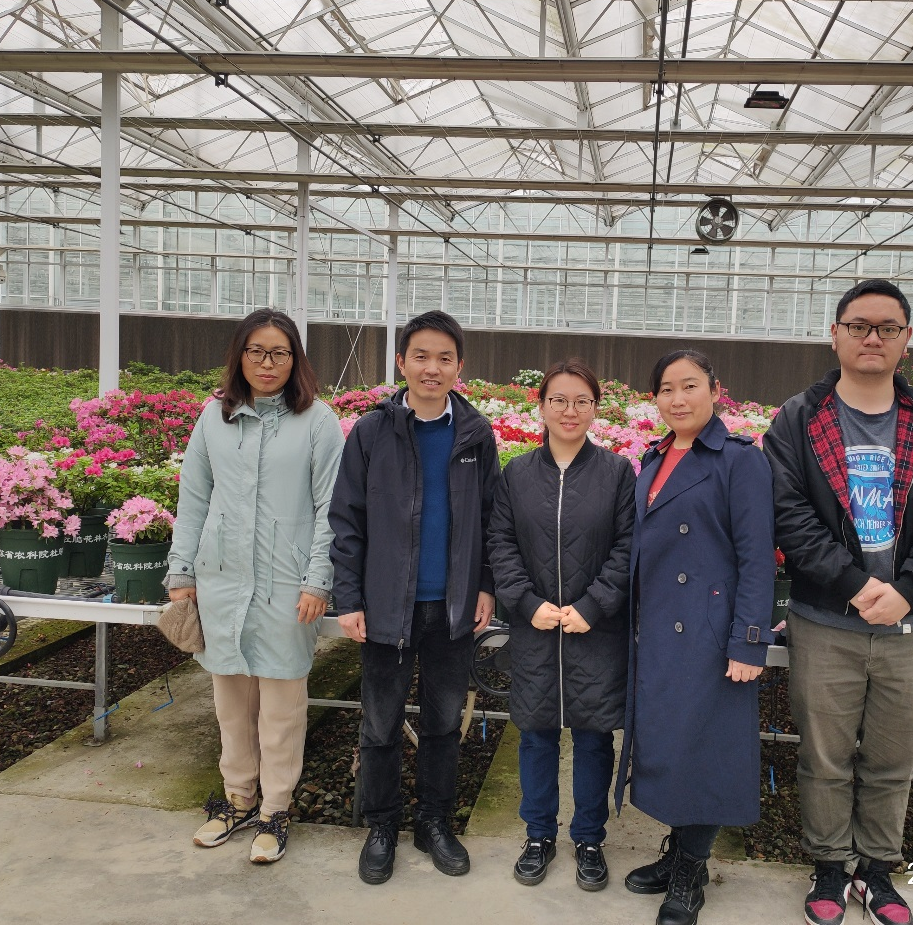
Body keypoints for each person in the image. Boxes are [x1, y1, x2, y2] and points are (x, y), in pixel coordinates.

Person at [763, 279, 913, 925]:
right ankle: (830, 865)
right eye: (859, 326)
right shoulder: (799, 419)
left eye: (888, 328)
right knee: (824, 755)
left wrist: (908, 591)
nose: (872, 338)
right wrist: (854, 586)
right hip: (825, 620)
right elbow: (788, 513)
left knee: (892, 756)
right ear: (835, 335)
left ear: (907, 339)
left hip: (910, 627)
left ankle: (877, 871)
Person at [167, 307, 345, 864]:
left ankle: (275, 809)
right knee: (230, 702)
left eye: (280, 353)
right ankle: (237, 799)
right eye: (257, 352)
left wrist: (318, 579)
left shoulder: (318, 421)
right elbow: (194, 498)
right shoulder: (213, 417)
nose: (268, 364)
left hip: (287, 584)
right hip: (222, 580)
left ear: (296, 360)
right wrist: (181, 572)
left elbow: (331, 508)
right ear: (239, 356)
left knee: (281, 706)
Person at [328, 310, 500, 885]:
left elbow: (491, 519)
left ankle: (433, 821)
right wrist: (349, 598)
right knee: (379, 724)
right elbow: (347, 519)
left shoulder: (475, 434)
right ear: (401, 362)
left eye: (444, 358)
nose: (432, 368)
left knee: (444, 722)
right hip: (385, 607)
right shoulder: (372, 432)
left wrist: (485, 586)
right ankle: (381, 825)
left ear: (459, 367)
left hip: (453, 609)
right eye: (421, 356)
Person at [614, 349, 776, 925]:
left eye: (689, 386)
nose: (677, 399)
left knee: (705, 748)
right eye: (666, 389)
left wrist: (748, 641)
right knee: (672, 745)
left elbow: (757, 557)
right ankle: (679, 851)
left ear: (715, 390)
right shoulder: (654, 457)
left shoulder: (739, 460)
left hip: (709, 630)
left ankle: (690, 869)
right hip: (658, 627)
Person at [487, 359, 635, 892]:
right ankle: (538, 835)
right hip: (536, 630)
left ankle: (589, 838)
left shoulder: (617, 473)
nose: (570, 411)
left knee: (594, 737)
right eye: (559, 400)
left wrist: (593, 607)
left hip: (595, 630)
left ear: (596, 409)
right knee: (536, 735)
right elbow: (500, 542)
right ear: (542, 406)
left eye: (581, 401)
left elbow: (628, 548)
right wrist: (525, 603)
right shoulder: (518, 474)